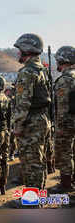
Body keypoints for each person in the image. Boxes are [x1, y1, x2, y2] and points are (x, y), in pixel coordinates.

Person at [13, 33, 51, 191]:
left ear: (26, 50)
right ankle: (36, 198)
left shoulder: (27, 72)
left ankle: (32, 202)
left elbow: (23, 103)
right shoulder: (41, 69)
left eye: (19, 50)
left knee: (31, 163)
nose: (17, 53)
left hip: (30, 122)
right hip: (41, 119)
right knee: (38, 161)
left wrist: (18, 125)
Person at [51, 46, 75, 192]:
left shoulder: (64, 80)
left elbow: (62, 107)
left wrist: (59, 128)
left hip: (67, 124)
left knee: (64, 153)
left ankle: (66, 185)